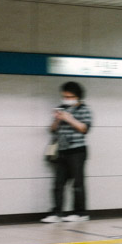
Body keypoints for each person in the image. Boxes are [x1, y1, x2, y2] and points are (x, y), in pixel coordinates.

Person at [43, 81, 93, 223]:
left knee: (78, 183)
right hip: (62, 150)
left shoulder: (84, 109)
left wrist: (69, 119)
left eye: (70, 96)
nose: (66, 99)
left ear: (77, 97)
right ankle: (56, 212)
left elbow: (85, 129)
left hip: (77, 150)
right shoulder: (61, 108)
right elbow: (52, 130)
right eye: (64, 96)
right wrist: (57, 120)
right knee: (58, 183)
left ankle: (81, 213)